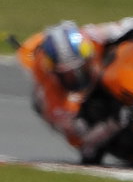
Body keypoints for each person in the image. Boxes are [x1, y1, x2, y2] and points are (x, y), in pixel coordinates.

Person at [13, 19, 125, 164]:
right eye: (68, 75)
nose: (77, 77)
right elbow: (82, 137)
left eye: (80, 69)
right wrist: (113, 124)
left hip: (100, 71)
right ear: (55, 73)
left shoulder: (92, 37)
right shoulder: (50, 90)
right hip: (65, 101)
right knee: (89, 150)